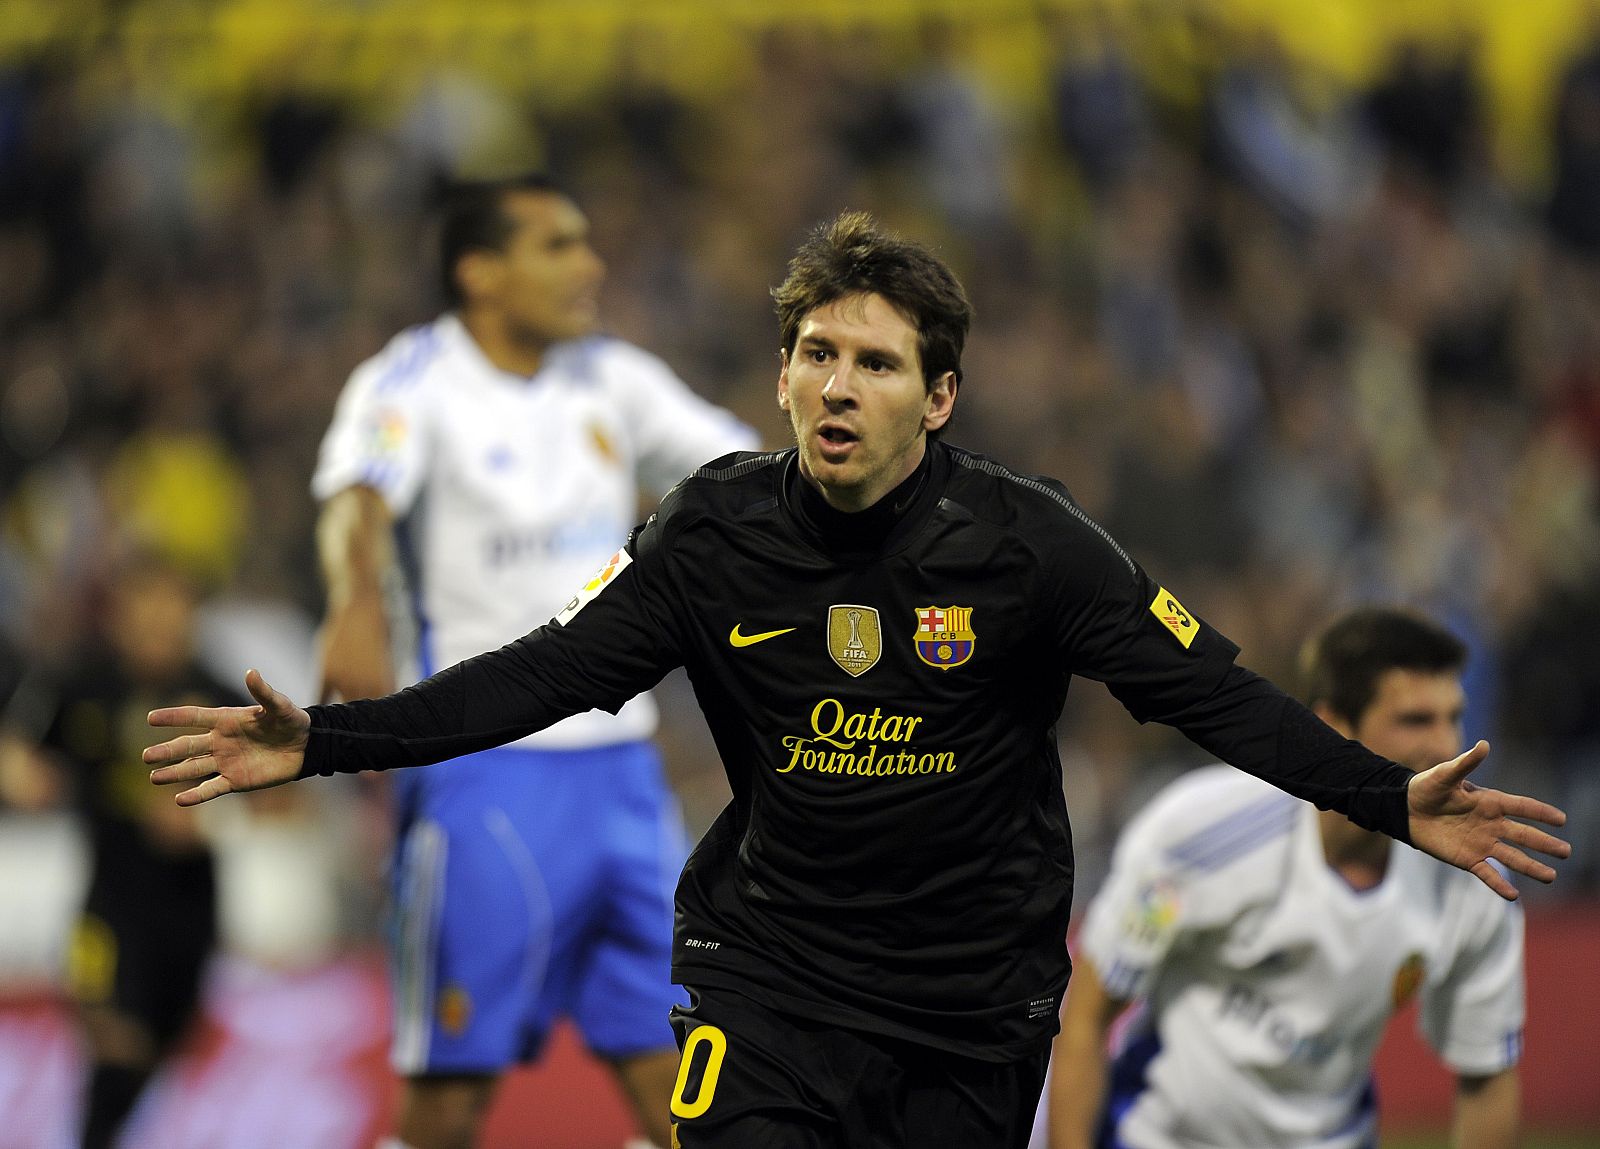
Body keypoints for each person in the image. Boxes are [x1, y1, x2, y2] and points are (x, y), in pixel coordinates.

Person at [145, 211, 1568, 1149]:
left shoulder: (1032, 546)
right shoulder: (711, 534)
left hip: (971, 1005)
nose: (837, 385)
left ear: (937, 398)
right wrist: (326, 740)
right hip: (768, 978)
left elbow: (1219, 696)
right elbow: (541, 675)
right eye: (815, 355)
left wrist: (1386, 797)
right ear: (780, 376)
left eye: (875, 364)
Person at [310, 173, 757, 1149]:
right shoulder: (412, 381)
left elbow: (743, 472)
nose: (588, 265)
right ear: (480, 271)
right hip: (485, 773)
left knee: (680, 1083)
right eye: (557, 245)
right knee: (450, 1098)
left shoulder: (612, 379)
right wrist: (354, 600)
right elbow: (357, 497)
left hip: (624, 778)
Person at [1047, 607, 1525, 1149]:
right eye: (1415, 720)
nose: (1446, 746)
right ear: (1332, 727)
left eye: (1453, 717)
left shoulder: (1475, 878)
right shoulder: (1200, 835)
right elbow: (1086, 1019)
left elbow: (1488, 1075)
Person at [28, 554, 241, 1148]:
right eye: (142, 603)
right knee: (115, 1049)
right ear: (118, 615)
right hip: (107, 910)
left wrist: (214, 820)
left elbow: (286, 804)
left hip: (190, 916)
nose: (157, 619)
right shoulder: (83, 688)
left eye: (171, 603)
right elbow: (23, 754)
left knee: (154, 1055)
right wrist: (29, 776)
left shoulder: (221, 696)